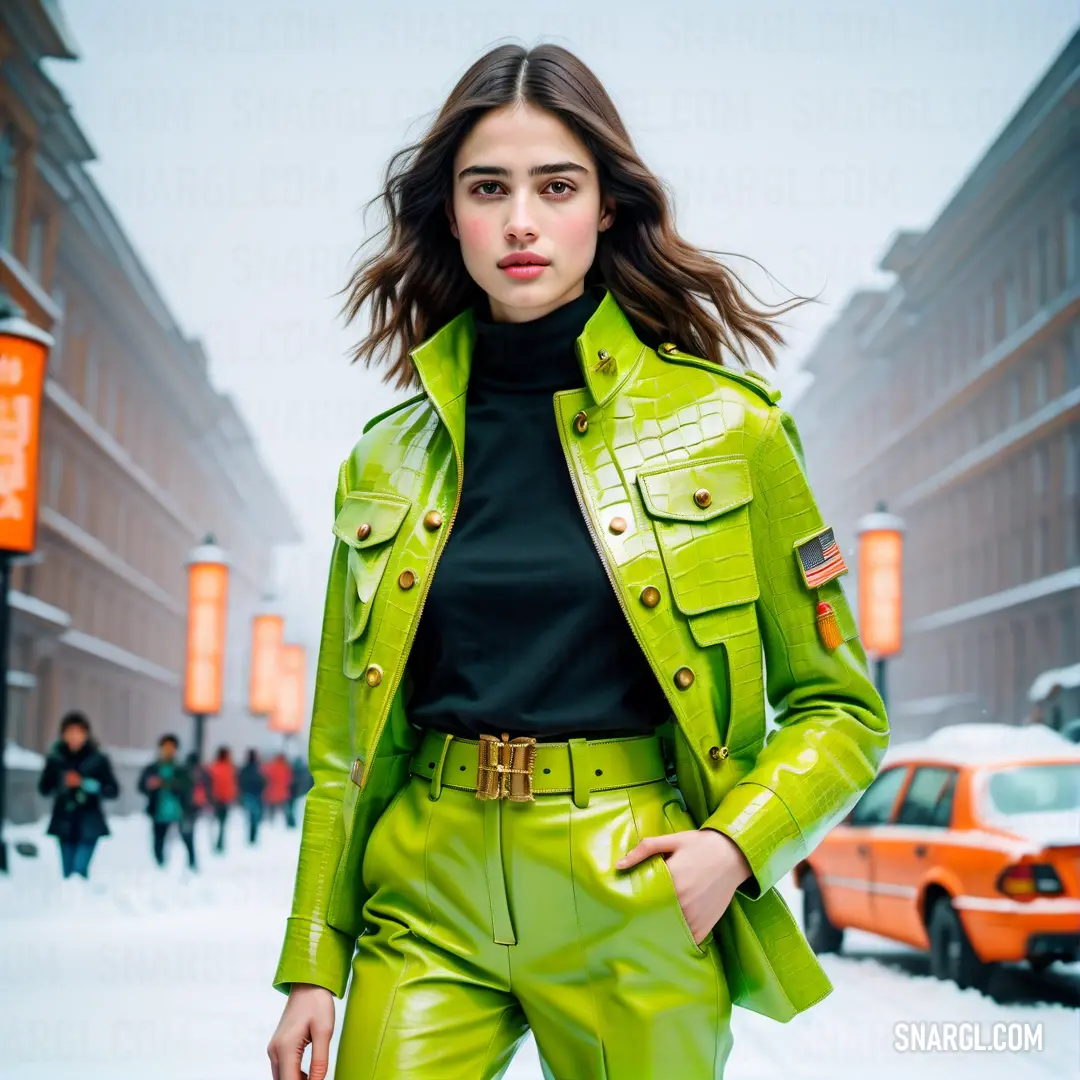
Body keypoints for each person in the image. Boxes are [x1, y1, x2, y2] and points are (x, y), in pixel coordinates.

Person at [266, 43, 889, 1080]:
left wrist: (732, 850)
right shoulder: (384, 459)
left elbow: (842, 711)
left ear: (605, 207)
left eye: (555, 186)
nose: (519, 220)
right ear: (449, 212)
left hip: (633, 885)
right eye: (487, 188)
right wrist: (312, 964)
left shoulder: (728, 432)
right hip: (427, 892)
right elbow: (345, 749)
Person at [37, 711, 119, 880]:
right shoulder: (56, 758)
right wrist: (63, 782)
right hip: (64, 821)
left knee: (79, 871)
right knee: (68, 873)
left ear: (86, 734)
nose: (74, 737)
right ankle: (72, 903)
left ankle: (80, 902)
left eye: (79, 732)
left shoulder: (98, 759)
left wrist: (87, 784)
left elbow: (112, 789)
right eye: (70, 732)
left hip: (90, 821)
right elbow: (44, 788)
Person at [137, 734, 197, 871]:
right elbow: (141, 786)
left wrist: (167, 783)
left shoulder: (181, 769)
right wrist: (149, 785)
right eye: (166, 747)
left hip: (180, 810)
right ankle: (160, 865)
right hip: (159, 811)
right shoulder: (152, 768)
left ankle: (191, 864)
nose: (168, 750)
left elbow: (188, 785)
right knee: (158, 840)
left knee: (187, 838)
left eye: (171, 748)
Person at [206, 746, 238, 853]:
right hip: (220, 800)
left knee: (218, 824)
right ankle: (218, 844)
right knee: (221, 824)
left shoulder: (214, 767)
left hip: (218, 800)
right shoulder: (228, 768)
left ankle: (218, 844)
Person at [238, 749, 267, 845]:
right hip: (256, 795)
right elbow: (263, 781)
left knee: (251, 816)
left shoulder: (245, 769)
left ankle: (251, 837)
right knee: (255, 817)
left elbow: (240, 781)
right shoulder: (258, 769)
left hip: (247, 795)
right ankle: (253, 837)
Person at [262, 752, 293, 825]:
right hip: (283, 793)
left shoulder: (271, 767)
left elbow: (265, 776)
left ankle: (270, 823)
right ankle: (289, 824)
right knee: (286, 810)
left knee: (271, 810)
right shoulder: (286, 768)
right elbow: (289, 780)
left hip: (271, 792)